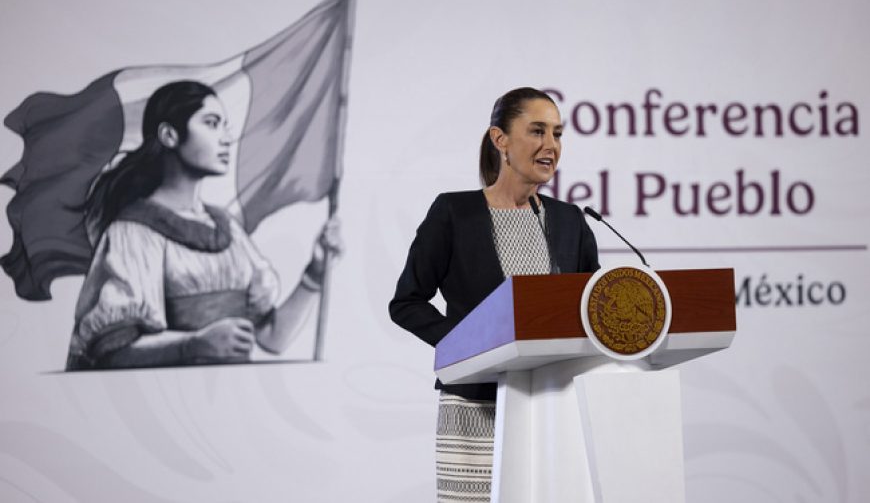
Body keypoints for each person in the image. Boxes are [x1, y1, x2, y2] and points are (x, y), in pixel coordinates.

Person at [389, 87, 600, 501]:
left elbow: (593, 308)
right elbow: (407, 302)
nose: (551, 146)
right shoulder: (454, 213)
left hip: (553, 405)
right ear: (500, 139)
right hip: (476, 406)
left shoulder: (570, 220)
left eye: (558, 134)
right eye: (537, 131)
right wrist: (468, 342)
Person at [66, 80, 341, 370]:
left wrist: (315, 273)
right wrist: (193, 344)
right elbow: (112, 353)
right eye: (211, 123)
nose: (225, 139)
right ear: (169, 135)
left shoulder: (228, 229)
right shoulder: (133, 232)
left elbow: (273, 338)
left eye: (224, 125)